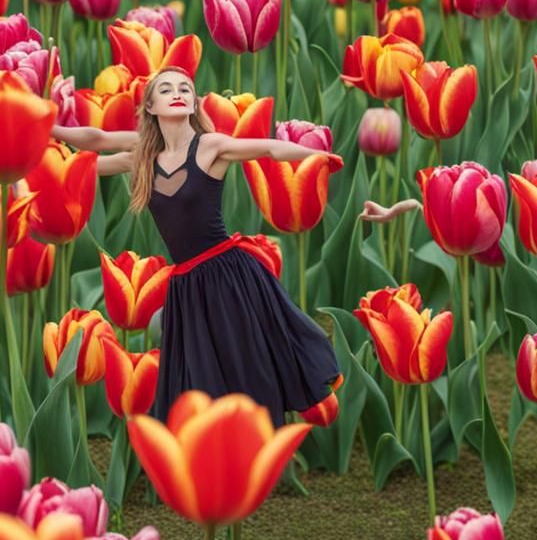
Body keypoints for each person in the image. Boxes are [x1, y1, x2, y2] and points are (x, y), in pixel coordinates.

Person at [52, 67, 344, 427]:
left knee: (244, 367)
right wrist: (44, 129)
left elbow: (268, 146)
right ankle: (212, 455)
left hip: (228, 276)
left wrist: (317, 158)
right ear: (152, 106)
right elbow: (93, 144)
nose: (177, 93)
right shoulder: (143, 157)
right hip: (187, 286)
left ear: (193, 103)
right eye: (167, 89)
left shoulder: (210, 146)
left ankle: (256, 446)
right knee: (200, 380)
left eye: (185, 89)